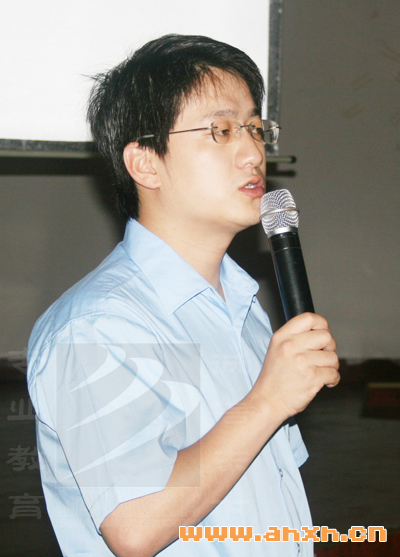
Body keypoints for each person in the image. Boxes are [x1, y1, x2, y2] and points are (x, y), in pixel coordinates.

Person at [27, 34, 340, 557]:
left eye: (255, 128)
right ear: (145, 163)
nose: (253, 152)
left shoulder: (244, 309)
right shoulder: (99, 325)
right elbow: (136, 526)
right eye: (221, 130)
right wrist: (268, 401)